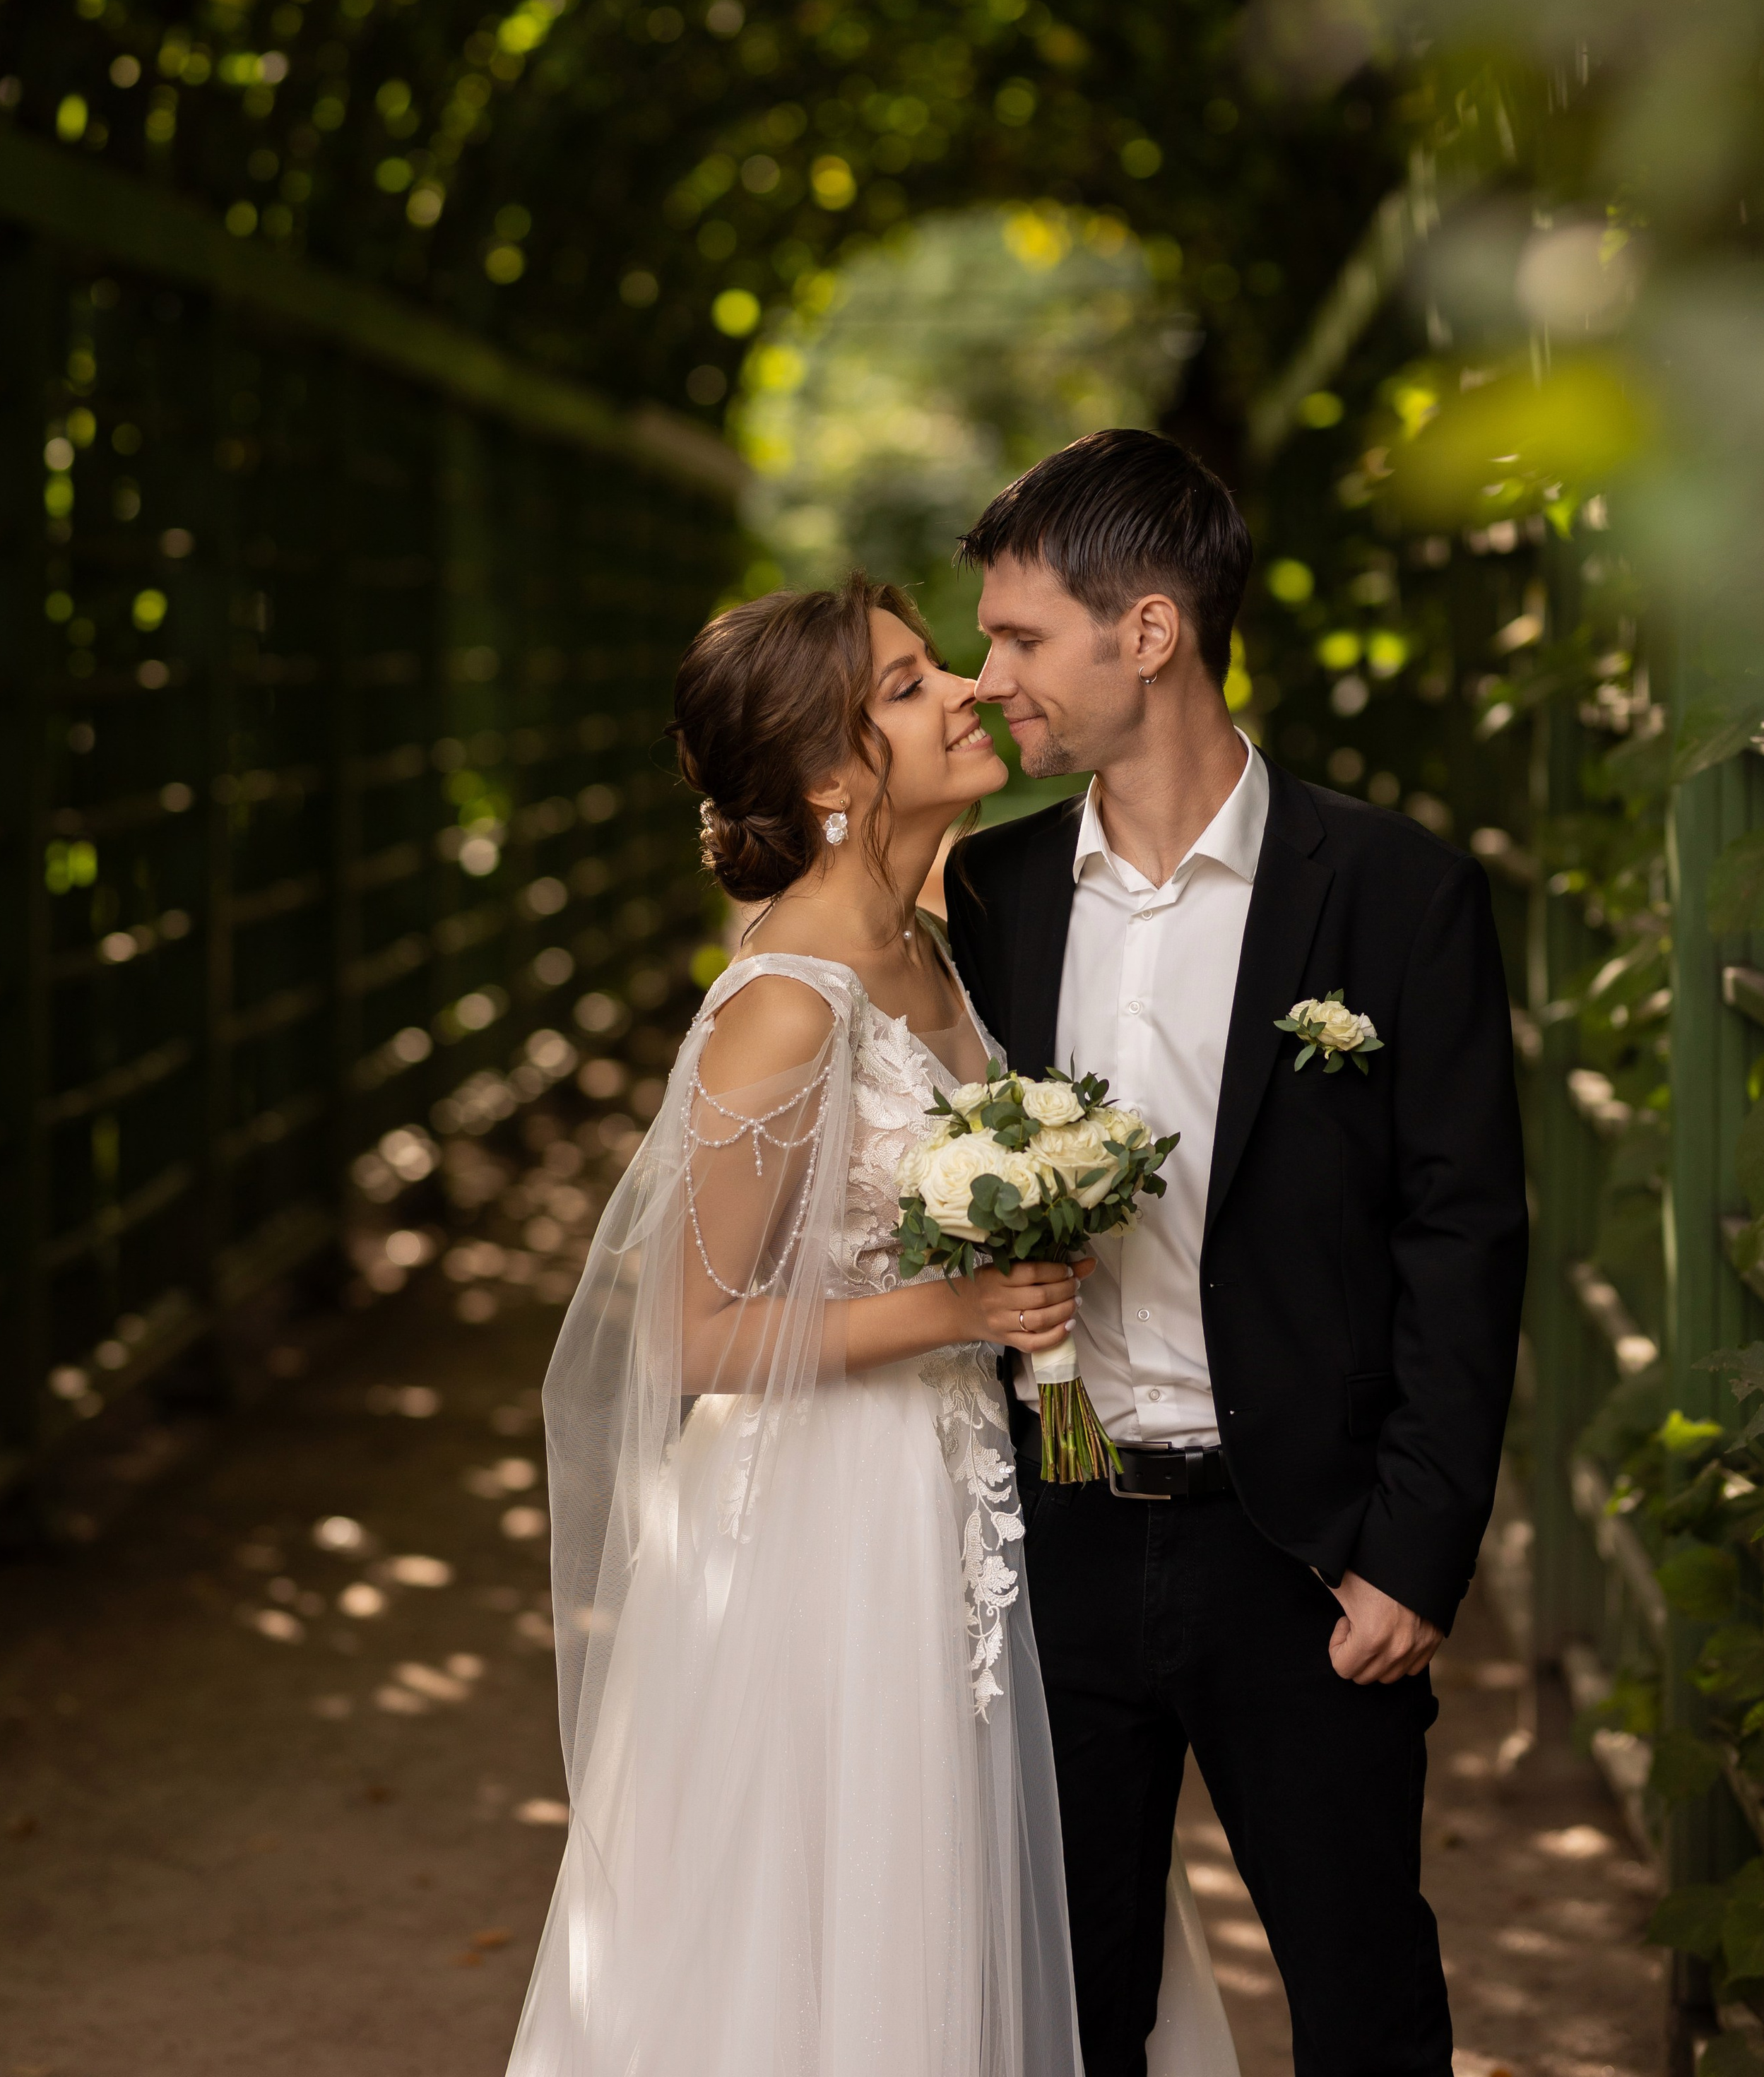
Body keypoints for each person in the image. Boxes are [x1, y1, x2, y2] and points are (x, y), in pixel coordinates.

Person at [505, 573, 1241, 2077]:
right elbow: (691, 1340)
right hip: (823, 1538)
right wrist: (956, 1305)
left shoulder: (933, 940)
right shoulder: (785, 1001)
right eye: (908, 685)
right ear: (833, 776)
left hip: (971, 1493)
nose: (968, 687)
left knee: (1010, 1881)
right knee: (845, 1902)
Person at [945, 430, 1529, 2077]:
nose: (991, 678)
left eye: (1019, 637)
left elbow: (1462, 1230)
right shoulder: (987, 899)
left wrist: (1410, 1548)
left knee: (1360, 2003)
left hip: (1302, 1554)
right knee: (1067, 2014)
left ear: (1149, 633)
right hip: (1047, 1537)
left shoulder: (1397, 890)